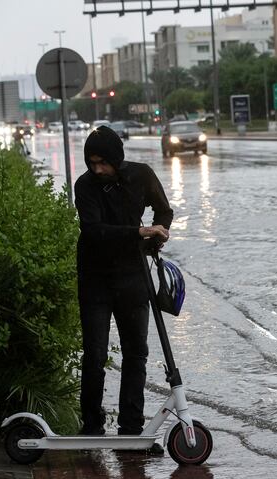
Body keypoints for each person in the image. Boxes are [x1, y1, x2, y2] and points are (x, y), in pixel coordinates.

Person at [74, 125, 173, 438]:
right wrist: (138, 233)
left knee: (136, 353)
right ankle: (92, 426)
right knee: (94, 354)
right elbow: (93, 231)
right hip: (95, 279)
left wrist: (158, 233)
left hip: (133, 276)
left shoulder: (141, 176)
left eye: (103, 162)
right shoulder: (85, 186)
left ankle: (131, 427)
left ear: (117, 159)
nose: (97, 168)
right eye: (92, 163)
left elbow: (164, 209)